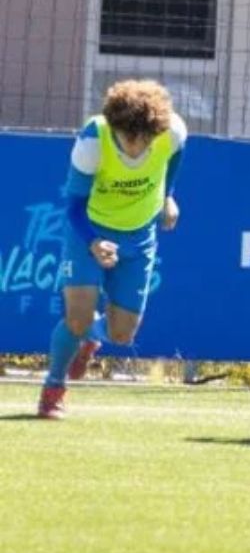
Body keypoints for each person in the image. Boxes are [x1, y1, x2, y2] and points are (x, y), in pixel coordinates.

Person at [37, 79, 187, 419]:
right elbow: (73, 205)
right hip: (88, 231)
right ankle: (53, 388)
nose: (135, 148)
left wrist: (168, 196)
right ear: (115, 127)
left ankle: (91, 337)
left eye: (143, 139)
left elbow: (176, 157)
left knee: (122, 334)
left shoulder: (172, 132)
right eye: (127, 138)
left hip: (140, 236)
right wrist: (92, 241)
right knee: (76, 317)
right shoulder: (93, 140)